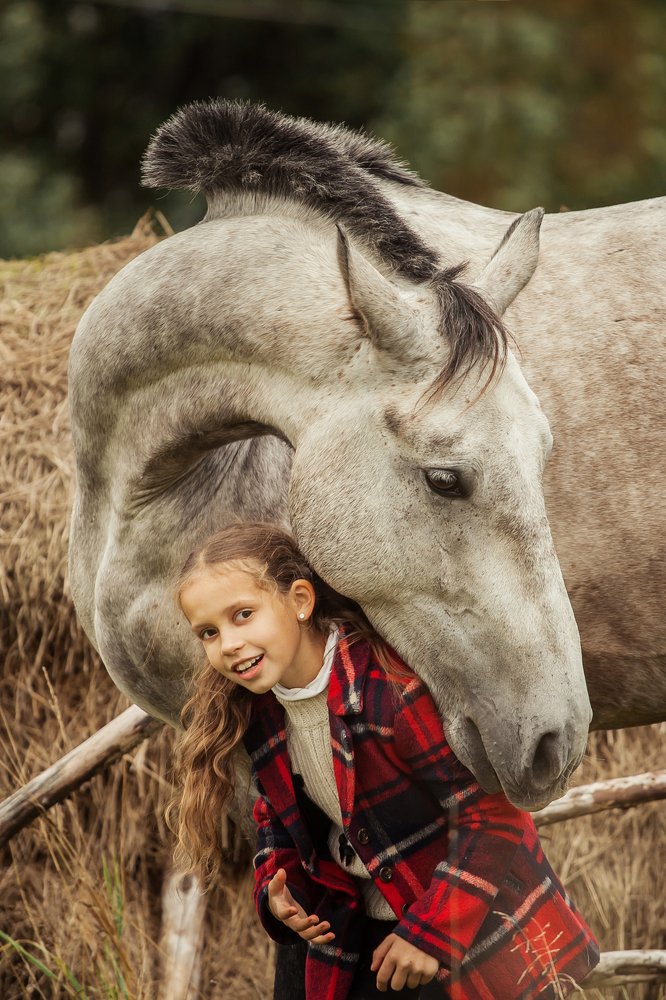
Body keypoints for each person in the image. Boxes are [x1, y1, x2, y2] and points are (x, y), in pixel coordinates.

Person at [169, 522, 599, 1000]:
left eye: (243, 615)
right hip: (364, 934)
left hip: (473, 924)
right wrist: (278, 883)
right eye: (208, 632)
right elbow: (275, 812)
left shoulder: (387, 692)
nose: (227, 644)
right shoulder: (261, 710)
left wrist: (432, 935)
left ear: (300, 601)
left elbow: (495, 815)